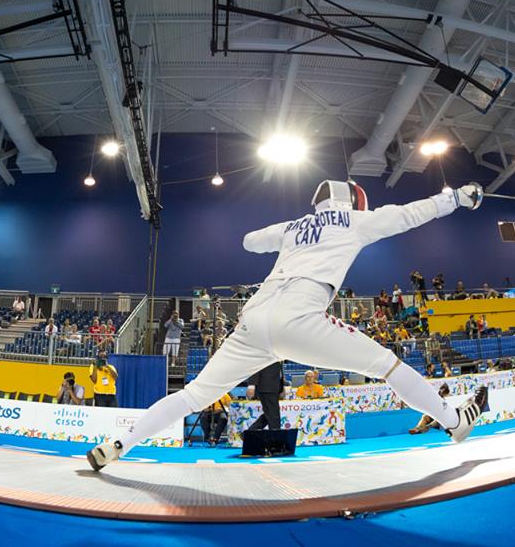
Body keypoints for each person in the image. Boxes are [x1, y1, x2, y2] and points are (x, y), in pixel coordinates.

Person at [87, 179, 489, 470]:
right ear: (351, 201)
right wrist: (454, 197)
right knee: (388, 365)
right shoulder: (353, 222)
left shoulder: (295, 227)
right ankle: (455, 422)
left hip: (252, 320)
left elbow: (248, 241)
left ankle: (120, 443)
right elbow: (409, 215)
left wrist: (290, 232)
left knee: (193, 395)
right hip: (298, 317)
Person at [246, 361, 286, 431]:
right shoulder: (264, 352)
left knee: (269, 414)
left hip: (274, 387)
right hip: (266, 387)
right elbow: (256, 367)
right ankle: (275, 438)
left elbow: (279, 371)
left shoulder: (277, 354)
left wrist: (282, 387)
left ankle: (249, 433)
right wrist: (251, 385)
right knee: (274, 415)